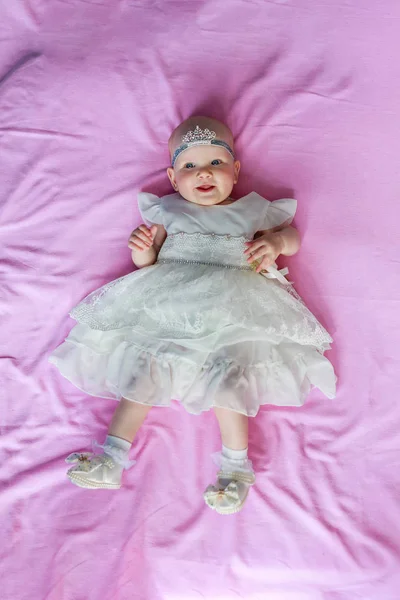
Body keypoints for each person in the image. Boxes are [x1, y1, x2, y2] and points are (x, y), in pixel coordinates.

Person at [50, 116, 336, 515]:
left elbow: (292, 238)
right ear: (172, 176)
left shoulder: (255, 211)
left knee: (230, 382)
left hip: (236, 306)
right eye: (189, 167)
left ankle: (235, 471)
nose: (203, 173)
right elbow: (146, 264)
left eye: (216, 164)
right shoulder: (168, 211)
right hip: (170, 302)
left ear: (235, 171)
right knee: (143, 372)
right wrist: (142, 248)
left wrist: (273, 242)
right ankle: (111, 458)